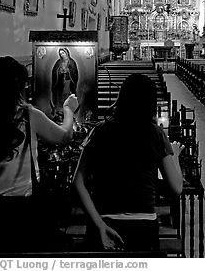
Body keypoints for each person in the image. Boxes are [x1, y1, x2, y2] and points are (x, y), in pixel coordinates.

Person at [74, 73, 184, 252]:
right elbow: (176, 187)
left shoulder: (99, 131)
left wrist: (99, 224)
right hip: (143, 226)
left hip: (105, 220)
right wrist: (176, 155)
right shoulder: (156, 134)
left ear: (121, 97)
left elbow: (77, 181)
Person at [0, 56, 79, 253]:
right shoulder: (27, 115)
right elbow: (64, 136)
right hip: (20, 207)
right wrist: (67, 109)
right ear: (20, 87)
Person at [50, 47, 78, 119]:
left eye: (63, 53)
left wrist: (68, 71)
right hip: (60, 84)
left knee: (67, 96)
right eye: (60, 54)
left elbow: (74, 73)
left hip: (68, 83)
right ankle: (59, 112)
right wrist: (59, 72)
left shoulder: (71, 62)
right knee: (59, 98)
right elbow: (54, 72)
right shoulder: (58, 62)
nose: (62, 55)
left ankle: (68, 111)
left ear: (66, 53)